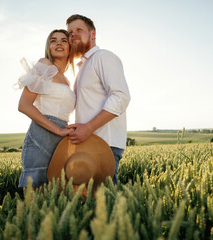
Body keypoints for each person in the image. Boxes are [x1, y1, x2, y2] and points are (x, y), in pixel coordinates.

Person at [66, 14, 131, 185]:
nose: (73, 34)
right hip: (88, 142)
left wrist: (88, 128)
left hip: (104, 143)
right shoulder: (82, 67)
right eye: (70, 32)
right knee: (93, 205)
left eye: (79, 30)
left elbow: (121, 97)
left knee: (104, 204)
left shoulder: (103, 57)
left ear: (93, 34)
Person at [16, 29, 76, 188]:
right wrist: (58, 130)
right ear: (48, 47)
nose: (58, 43)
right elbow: (24, 105)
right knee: (36, 195)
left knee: (57, 193)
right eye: (53, 40)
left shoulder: (68, 81)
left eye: (64, 40)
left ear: (70, 47)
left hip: (62, 139)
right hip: (42, 135)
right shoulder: (44, 64)